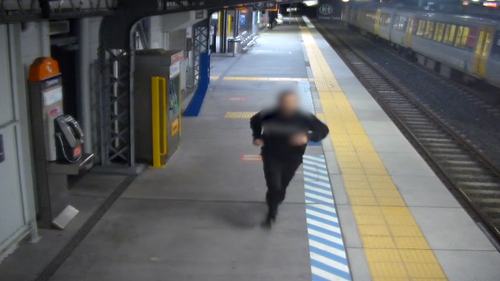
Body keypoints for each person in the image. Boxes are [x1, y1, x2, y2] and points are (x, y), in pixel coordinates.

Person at [250, 90, 329, 228]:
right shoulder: (269, 114)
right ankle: (271, 214)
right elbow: (254, 120)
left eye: (291, 103)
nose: (288, 106)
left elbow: (323, 130)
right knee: (273, 184)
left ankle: (278, 196)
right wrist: (257, 136)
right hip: (271, 155)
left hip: (293, 157)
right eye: (285, 103)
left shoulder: (304, 117)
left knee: (283, 184)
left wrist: (308, 137)